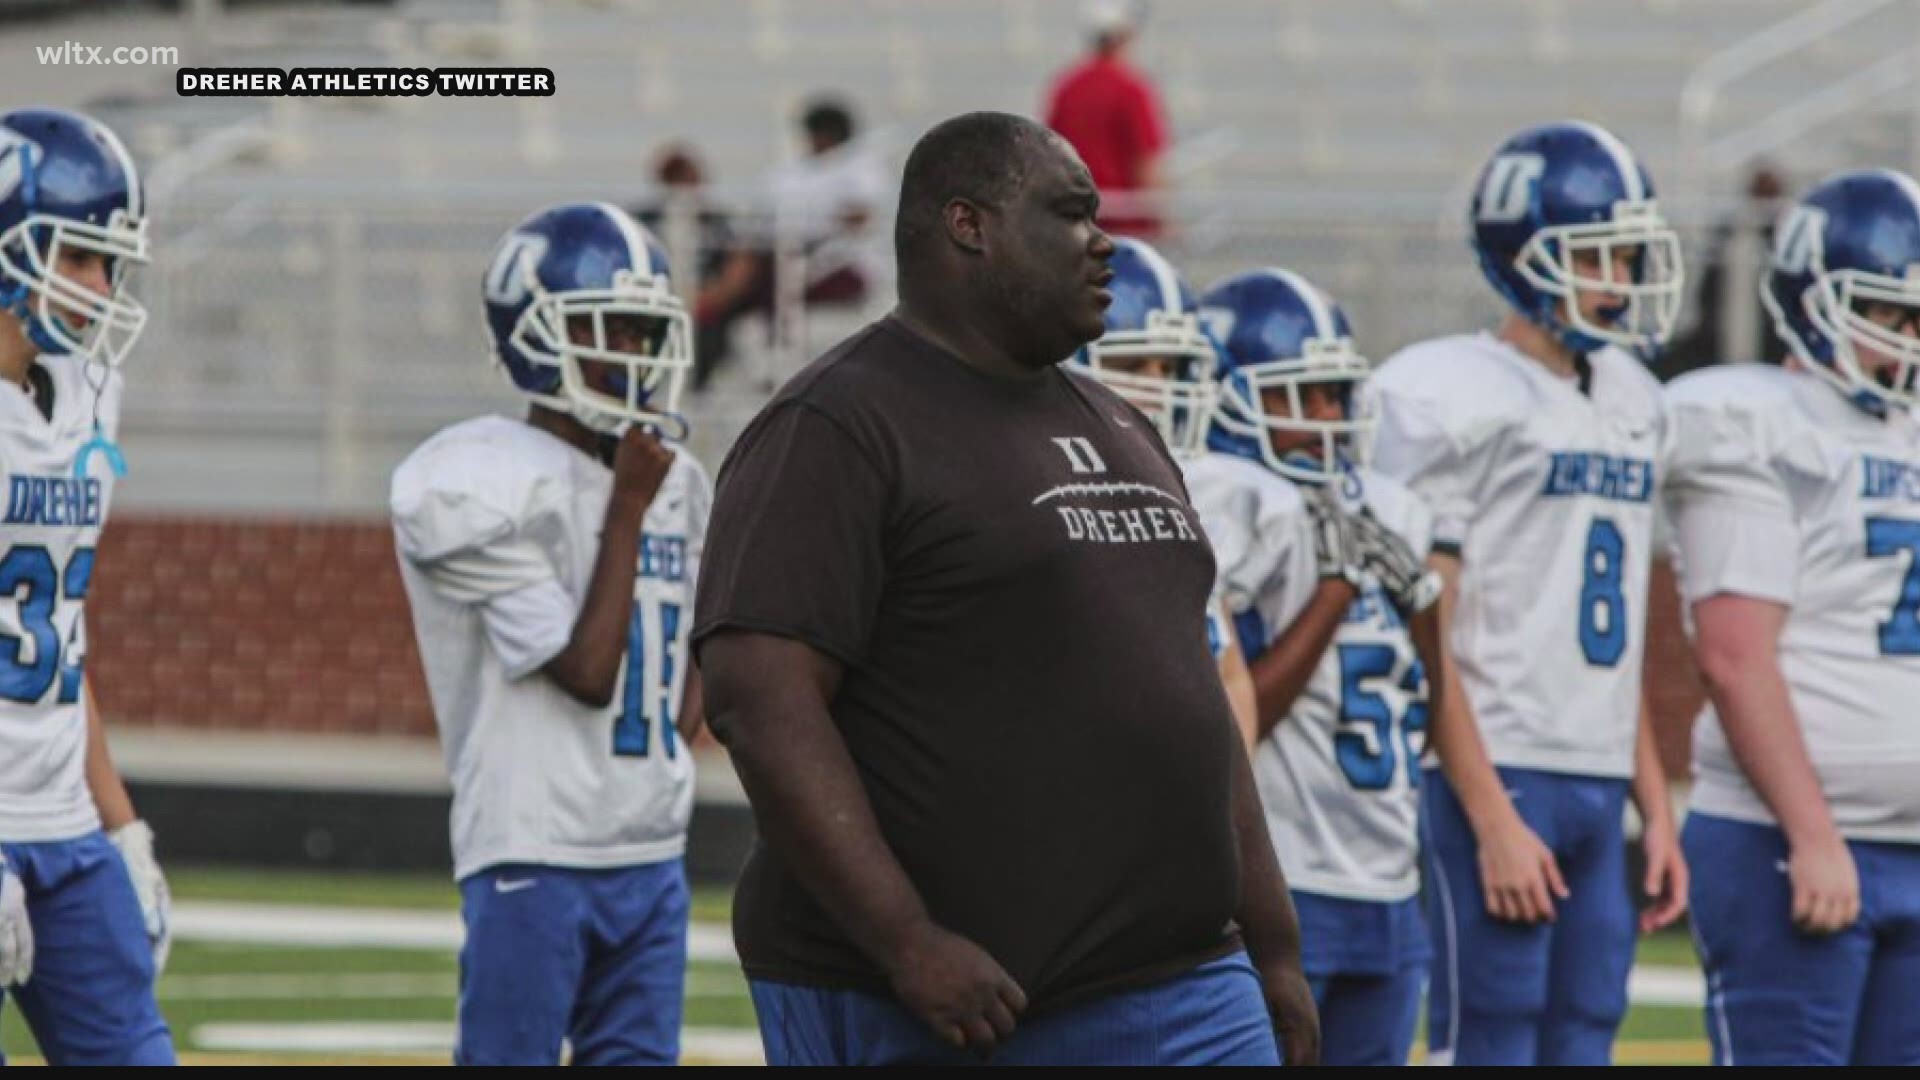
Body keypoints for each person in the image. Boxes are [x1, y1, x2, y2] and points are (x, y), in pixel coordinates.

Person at [693, 111, 1318, 1067]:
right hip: (958, 999)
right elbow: (761, 702)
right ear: (968, 225)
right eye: (1072, 216)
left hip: (1188, 980)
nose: (1106, 242)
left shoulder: (1121, 423)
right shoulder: (837, 423)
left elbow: (1191, 701)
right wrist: (907, 941)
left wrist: (1272, 947)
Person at [1366, 120, 1690, 1066]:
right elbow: (1431, 634)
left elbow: (1618, 626)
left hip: (1596, 774)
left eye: (1628, 255)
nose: (1621, 279)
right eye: (1598, 257)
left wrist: (1652, 801)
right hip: (1495, 764)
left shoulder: (1634, 398)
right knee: (1491, 1038)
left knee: (1588, 1032)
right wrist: (1491, 813)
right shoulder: (1454, 395)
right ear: (1525, 261)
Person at [390, 202, 709, 1065]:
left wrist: (665, 759)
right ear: (538, 338)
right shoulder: (474, 482)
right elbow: (587, 669)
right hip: (534, 846)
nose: (636, 357)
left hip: (648, 848)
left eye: (648, 333)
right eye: (613, 330)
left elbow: (694, 650)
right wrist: (631, 505)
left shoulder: (680, 481)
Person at [1665, 168, 1920, 1066]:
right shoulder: (1754, 419)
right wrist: (1813, 835)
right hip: (1788, 843)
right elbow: (1735, 658)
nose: (1908, 341)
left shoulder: (1904, 430)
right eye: (1889, 316)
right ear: (1814, 302)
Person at [1187, 267, 1445, 1066]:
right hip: (1289, 874)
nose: (1328, 420)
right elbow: (1234, 719)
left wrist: (1420, 595)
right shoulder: (1239, 496)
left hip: (1388, 877)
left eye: (1336, 396)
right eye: (1302, 398)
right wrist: (1336, 590)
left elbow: (1434, 688)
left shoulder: (1386, 505)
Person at [0, 106, 175, 1066]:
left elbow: (59, 635)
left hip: (64, 826)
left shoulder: (87, 396)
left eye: (110, 262)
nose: (100, 286)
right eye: (75, 256)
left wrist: (123, 826)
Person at [1065, 235, 1258, 746]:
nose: (1160, 390)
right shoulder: (1031, 494)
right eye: (1135, 367)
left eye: (1169, 368)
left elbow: (1230, 671)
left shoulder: (1204, 491)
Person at [691, 98, 888, 389]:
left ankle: (705, 307)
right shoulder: (795, 170)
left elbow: (858, 218)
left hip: (836, 265)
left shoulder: (861, 169)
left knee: (743, 278)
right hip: (785, 259)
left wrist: (805, 231)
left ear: (826, 134)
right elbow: (763, 217)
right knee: (739, 273)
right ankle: (711, 328)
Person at [1043, 0, 1169, 238]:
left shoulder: (1067, 87)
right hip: (1127, 229)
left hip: (1079, 224)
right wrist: (1162, 222)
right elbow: (1145, 165)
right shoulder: (1131, 87)